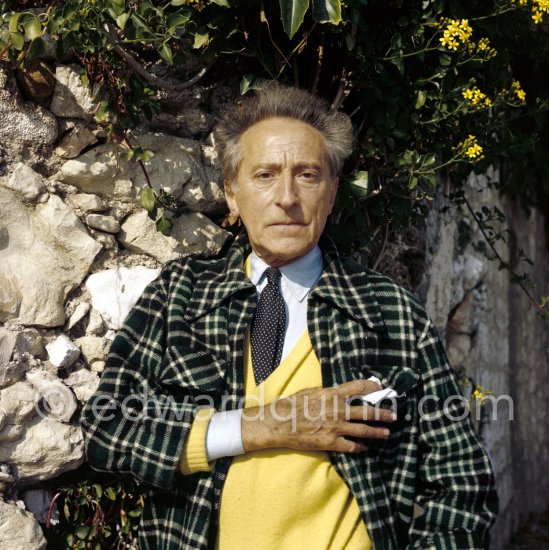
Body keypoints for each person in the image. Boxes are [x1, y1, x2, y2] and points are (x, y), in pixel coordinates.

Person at [80, 83, 498, 550]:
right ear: (232, 195)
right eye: (264, 175)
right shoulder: (180, 295)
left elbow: (463, 485)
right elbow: (106, 427)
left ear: (333, 192)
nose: (286, 197)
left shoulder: (390, 311)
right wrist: (267, 425)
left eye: (307, 175)